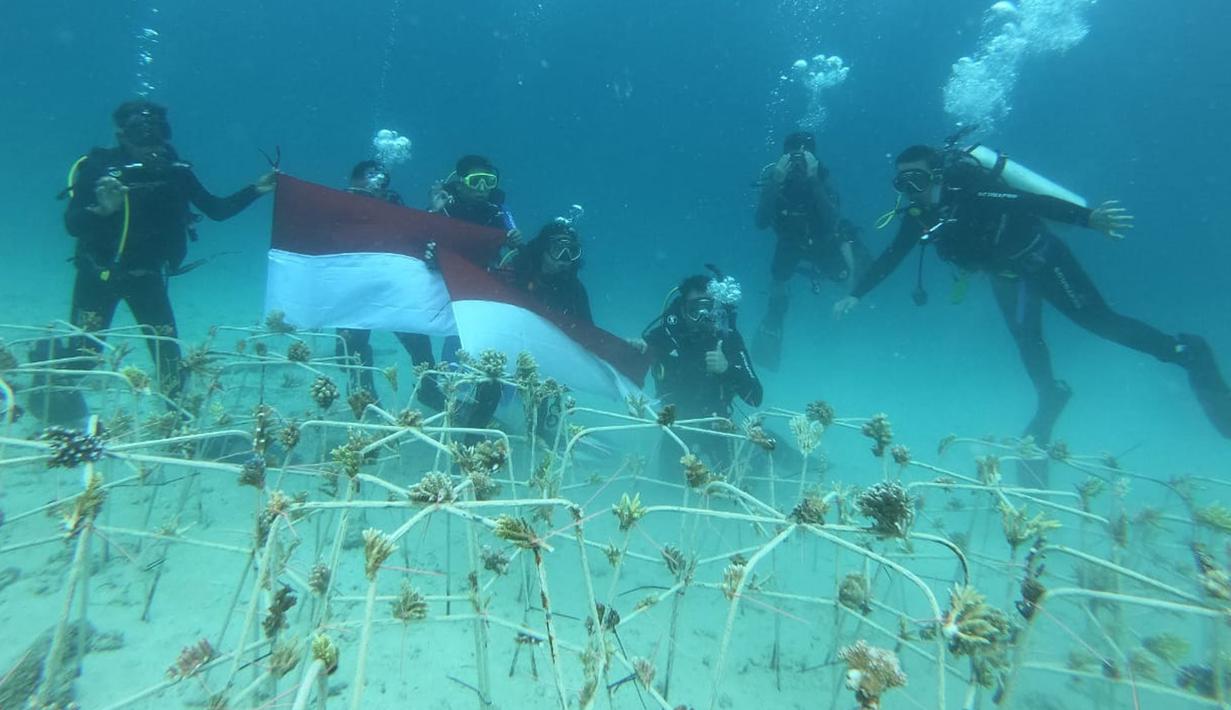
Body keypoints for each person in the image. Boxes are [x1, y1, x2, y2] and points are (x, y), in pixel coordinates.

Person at [834, 143, 1231, 464]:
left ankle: (1184, 351)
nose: (910, 189)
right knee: (1027, 341)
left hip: (1041, 258)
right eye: (901, 182)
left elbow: (1028, 203)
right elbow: (893, 255)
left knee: (1098, 321)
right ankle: (1050, 395)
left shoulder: (971, 190)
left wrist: (1088, 218)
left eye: (917, 178)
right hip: (1005, 276)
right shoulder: (919, 215)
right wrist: (855, 293)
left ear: (936, 174)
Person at [58, 99, 273, 410]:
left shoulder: (176, 172)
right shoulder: (98, 170)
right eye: (139, 134)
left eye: (157, 134)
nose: (149, 143)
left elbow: (216, 210)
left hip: (147, 278)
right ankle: (54, 406)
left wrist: (255, 189)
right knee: (83, 356)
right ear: (121, 135)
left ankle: (177, 426)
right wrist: (104, 210)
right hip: (98, 275)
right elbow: (72, 225)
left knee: (169, 359)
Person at [752, 131, 867, 370]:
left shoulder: (823, 180)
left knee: (846, 275)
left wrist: (813, 179)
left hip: (824, 242)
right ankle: (774, 320)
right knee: (778, 279)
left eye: (803, 157)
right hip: (790, 242)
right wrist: (776, 181)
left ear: (813, 158)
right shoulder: (774, 180)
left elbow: (832, 221)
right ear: (783, 156)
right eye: (791, 156)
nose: (797, 163)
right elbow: (761, 222)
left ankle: (846, 308)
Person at [334, 160, 444, 409]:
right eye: (369, 177)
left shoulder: (393, 203)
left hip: (392, 287)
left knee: (418, 340)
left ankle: (429, 389)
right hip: (354, 291)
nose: (376, 184)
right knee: (348, 350)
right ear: (353, 181)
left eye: (381, 180)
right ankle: (365, 396)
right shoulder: (337, 204)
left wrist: (434, 210)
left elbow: (416, 231)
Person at [428, 154, 521, 431]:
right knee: (457, 334)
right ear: (460, 182)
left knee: (488, 337)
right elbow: (422, 234)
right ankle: (452, 390)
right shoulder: (445, 204)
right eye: (475, 181)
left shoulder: (498, 211)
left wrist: (516, 240)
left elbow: (515, 250)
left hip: (483, 283)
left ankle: (496, 393)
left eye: (488, 182)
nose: (482, 188)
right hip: (447, 283)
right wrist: (434, 211)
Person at [639, 274, 763, 471]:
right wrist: (631, 349)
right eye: (695, 310)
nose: (703, 317)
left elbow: (755, 397)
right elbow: (639, 352)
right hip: (677, 425)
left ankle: (760, 455)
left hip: (718, 424)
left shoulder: (729, 339)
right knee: (666, 486)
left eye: (709, 309)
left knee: (731, 486)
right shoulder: (668, 336)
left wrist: (726, 369)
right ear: (682, 309)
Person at [506, 221, 592, 324]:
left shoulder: (576, 290)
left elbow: (587, 329)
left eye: (572, 252)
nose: (564, 258)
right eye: (557, 249)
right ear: (543, 249)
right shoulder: (518, 269)